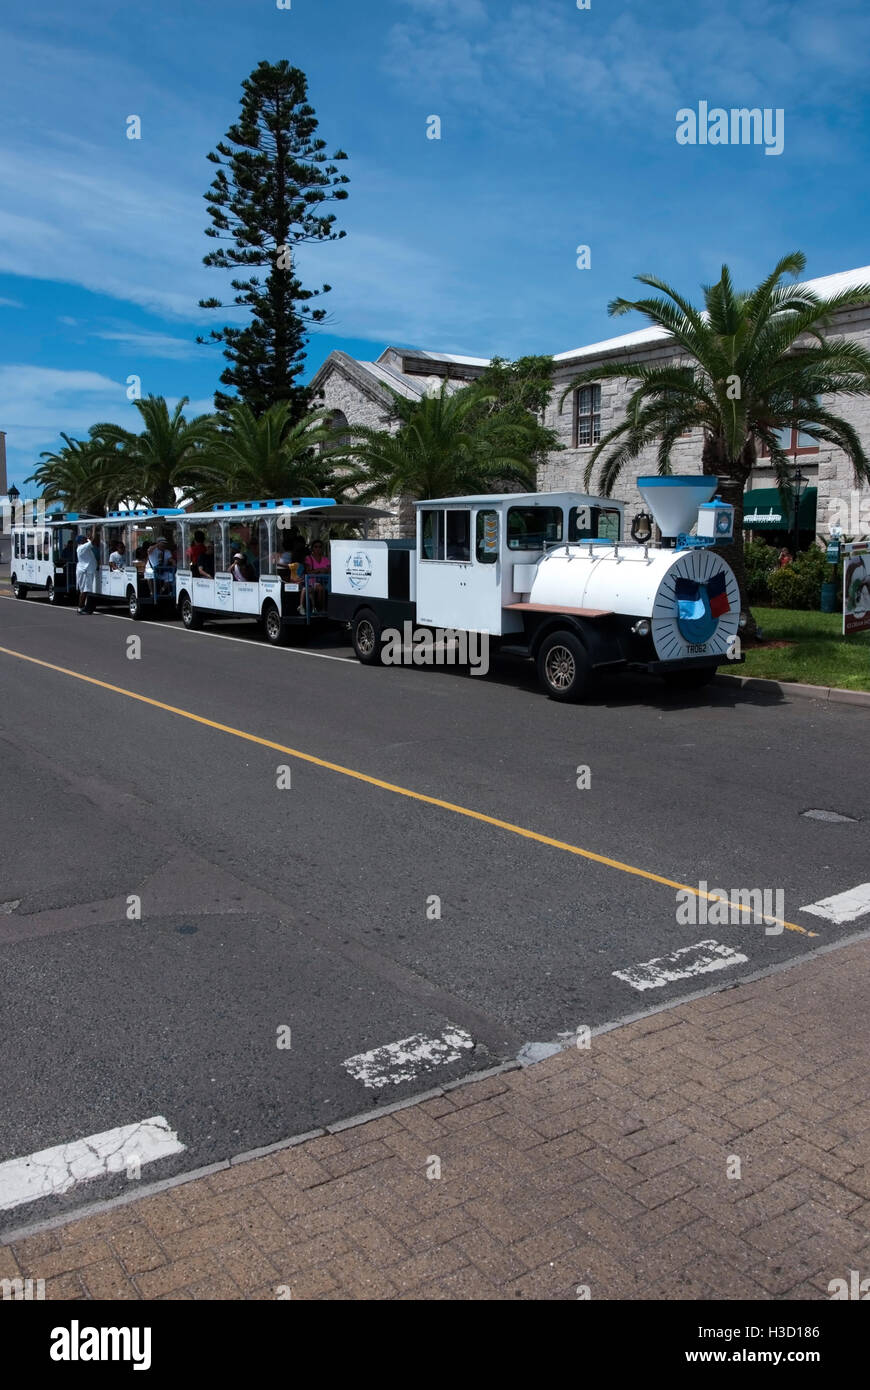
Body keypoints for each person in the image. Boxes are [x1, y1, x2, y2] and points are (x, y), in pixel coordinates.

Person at [304, 538, 330, 614]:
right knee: (320, 588)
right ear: (312, 548)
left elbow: (328, 570)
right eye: (316, 547)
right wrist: (320, 570)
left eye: (320, 547)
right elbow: (308, 572)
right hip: (311, 582)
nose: (318, 548)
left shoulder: (325, 559)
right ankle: (320, 609)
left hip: (325, 581)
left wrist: (318, 571)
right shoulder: (308, 558)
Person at [75, 532, 98, 614]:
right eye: (84, 539)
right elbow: (93, 540)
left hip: (86, 570)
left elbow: (91, 540)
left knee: (85, 590)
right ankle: (81, 608)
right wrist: (94, 527)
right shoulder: (82, 547)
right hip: (85, 571)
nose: (86, 539)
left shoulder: (83, 546)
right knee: (85, 590)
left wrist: (90, 536)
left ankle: (83, 607)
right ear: (81, 541)